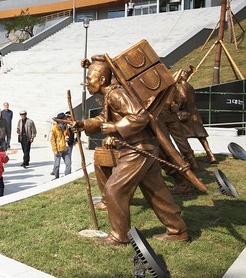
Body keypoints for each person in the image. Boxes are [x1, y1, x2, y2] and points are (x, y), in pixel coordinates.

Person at [71, 58, 188, 244]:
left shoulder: (117, 95)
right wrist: (84, 124)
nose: (86, 83)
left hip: (138, 150)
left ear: (102, 80)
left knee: (114, 190)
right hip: (143, 147)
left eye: (89, 78)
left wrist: (116, 127)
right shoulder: (111, 96)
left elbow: (140, 116)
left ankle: (120, 236)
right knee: (156, 192)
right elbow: (103, 118)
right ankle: (178, 230)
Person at [177, 66, 217, 164]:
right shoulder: (190, 86)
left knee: (182, 137)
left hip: (186, 114)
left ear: (180, 77)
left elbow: (184, 98)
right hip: (194, 112)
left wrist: (178, 108)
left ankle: (189, 157)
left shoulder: (182, 87)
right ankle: (210, 154)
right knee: (201, 136)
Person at [50, 113, 71, 178]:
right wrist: (55, 150)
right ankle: (57, 178)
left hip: (65, 148)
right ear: (61, 120)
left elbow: (68, 134)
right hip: (58, 150)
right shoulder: (54, 128)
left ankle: (67, 177)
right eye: (64, 119)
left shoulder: (65, 126)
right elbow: (52, 140)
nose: (66, 120)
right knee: (56, 165)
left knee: (68, 163)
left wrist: (67, 136)